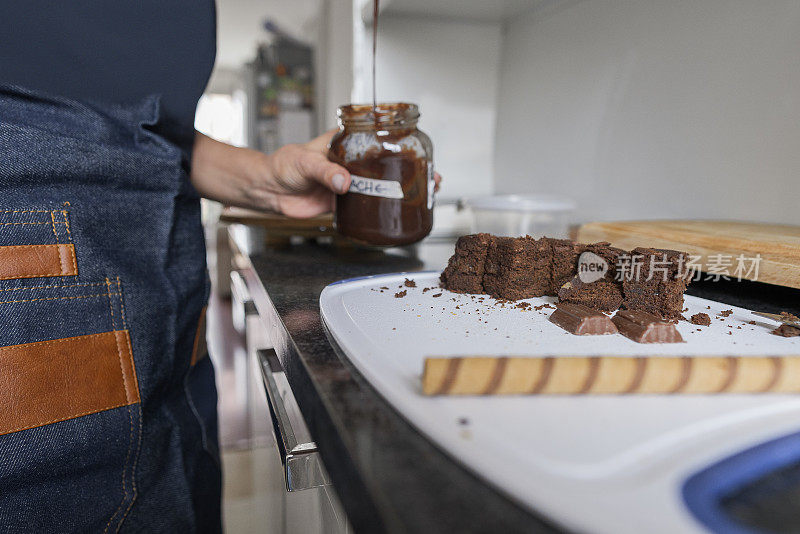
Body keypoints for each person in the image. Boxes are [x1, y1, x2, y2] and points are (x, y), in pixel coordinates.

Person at [0, 2, 439, 532]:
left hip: (166, 239)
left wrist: (264, 178)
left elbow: (148, 128)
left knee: (181, 484)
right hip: (29, 219)